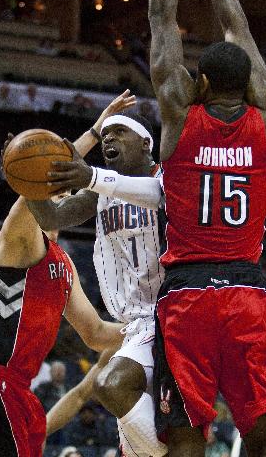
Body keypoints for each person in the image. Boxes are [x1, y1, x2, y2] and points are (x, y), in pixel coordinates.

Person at [145, 0, 266, 457]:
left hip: (188, 297)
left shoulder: (180, 113)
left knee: (184, 440)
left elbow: (160, 19)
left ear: (199, 81)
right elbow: (237, 25)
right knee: (263, 433)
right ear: (247, 83)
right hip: (248, 292)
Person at [0, 93, 135, 457]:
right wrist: (95, 131)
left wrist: (148, 330)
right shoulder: (15, 240)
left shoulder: (63, 264)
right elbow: (42, 177)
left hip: (19, 391)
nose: (65, 193)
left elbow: (95, 334)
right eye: (59, 189)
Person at [26, 112, 167, 457]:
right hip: (135, 325)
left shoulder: (169, 180)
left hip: (175, 315)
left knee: (113, 386)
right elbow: (51, 217)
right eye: (105, 134)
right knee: (132, 437)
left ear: (146, 143)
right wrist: (27, 181)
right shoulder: (101, 190)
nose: (108, 139)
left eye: (119, 132)